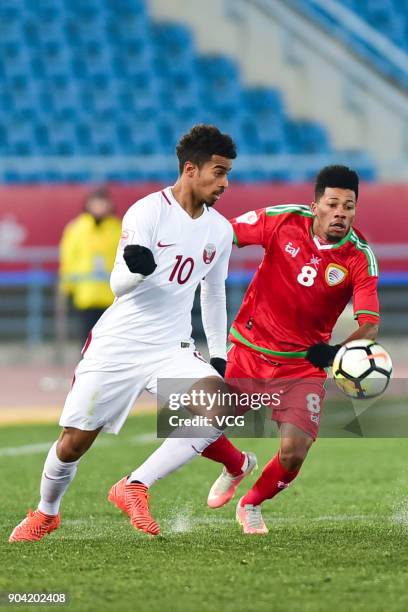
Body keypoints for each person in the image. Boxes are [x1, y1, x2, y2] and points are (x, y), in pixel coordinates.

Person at [9, 124, 237, 542]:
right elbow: (117, 285)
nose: (224, 183)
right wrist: (137, 270)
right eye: (218, 172)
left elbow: (214, 291)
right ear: (190, 169)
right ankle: (46, 512)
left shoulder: (220, 231)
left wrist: (218, 354)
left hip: (172, 346)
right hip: (118, 346)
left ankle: (135, 486)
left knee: (224, 407)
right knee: (73, 443)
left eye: (227, 174)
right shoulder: (146, 212)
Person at [201, 165, 380, 534]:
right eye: (332, 204)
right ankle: (236, 464)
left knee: (295, 451)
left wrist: (334, 354)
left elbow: (369, 325)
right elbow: (222, 234)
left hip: (301, 366)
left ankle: (251, 504)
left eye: (349, 206)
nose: (340, 213)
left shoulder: (359, 257)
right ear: (315, 205)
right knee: (192, 425)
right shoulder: (282, 220)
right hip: (250, 347)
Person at [59, 187, 122, 345]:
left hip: (112, 296)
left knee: (111, 342)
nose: (99, 207)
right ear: (88, 204)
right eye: (96, 203)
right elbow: (68, 259)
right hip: (86, 296)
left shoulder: (118, 228)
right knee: (87, 340)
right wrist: (67, 288)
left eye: (103, 203)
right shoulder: (76, 229)